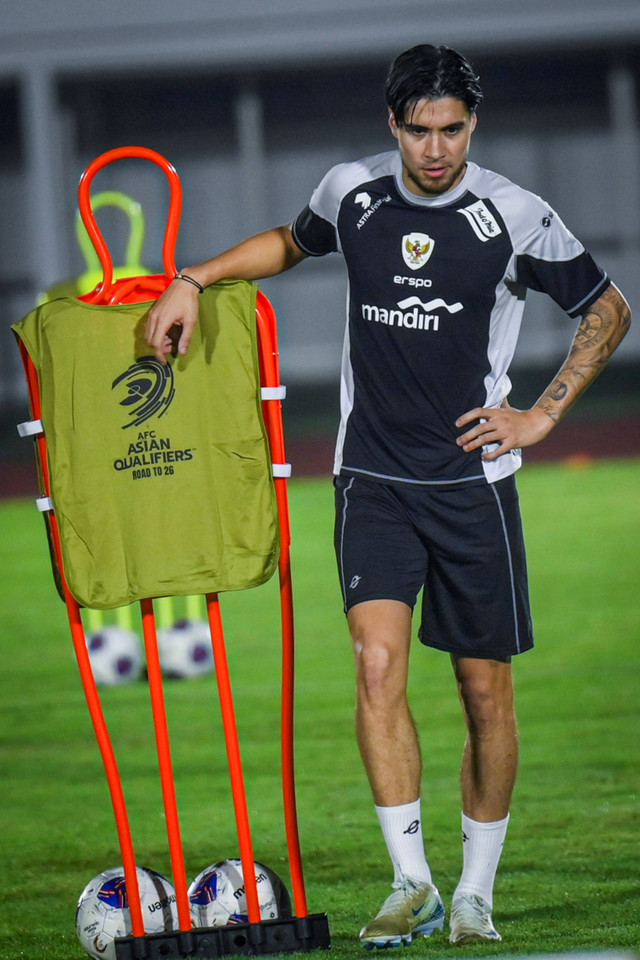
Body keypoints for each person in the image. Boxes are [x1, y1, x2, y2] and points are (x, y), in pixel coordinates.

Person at [146, 44, 631, 947]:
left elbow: (607, 309)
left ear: (471, 125)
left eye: (452, 130)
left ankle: (476, 890)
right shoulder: (354, 193)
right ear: (393, 124)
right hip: (372, 476)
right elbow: (291, 244)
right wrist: (192, 279)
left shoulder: (515, 214)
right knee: (376, 667)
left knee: (485, 695)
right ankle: (413, 882)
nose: (436, 149)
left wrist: (540, 416)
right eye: (419, 130)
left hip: (472, 486)